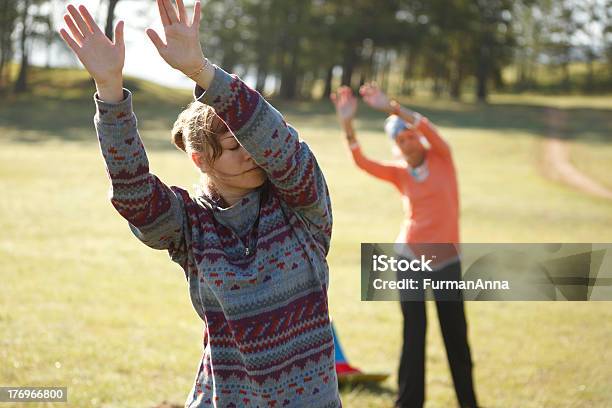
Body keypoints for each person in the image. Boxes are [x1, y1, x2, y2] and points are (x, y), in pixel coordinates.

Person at [58, 1, 341, 407]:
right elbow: (133, 193)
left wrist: (201, 71)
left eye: (252, 142)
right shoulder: (192, 227)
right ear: (201, 158)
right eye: (234, 147)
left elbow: (278, 142)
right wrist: (109, 89)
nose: (252, 153)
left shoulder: (301, 204)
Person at [331, 85, 478, 408]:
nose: (407, 142)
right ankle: (409, 403)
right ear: (396, 146)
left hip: (447, 262)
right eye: (400, 140)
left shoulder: (442, 157)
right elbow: (362, 161)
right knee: (414, 334)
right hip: (409, 259)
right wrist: (347, 124)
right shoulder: (401, 173)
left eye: (410, 136)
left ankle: (469, 402)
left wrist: (391, 108)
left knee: (456, 336)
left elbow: (427, 126)